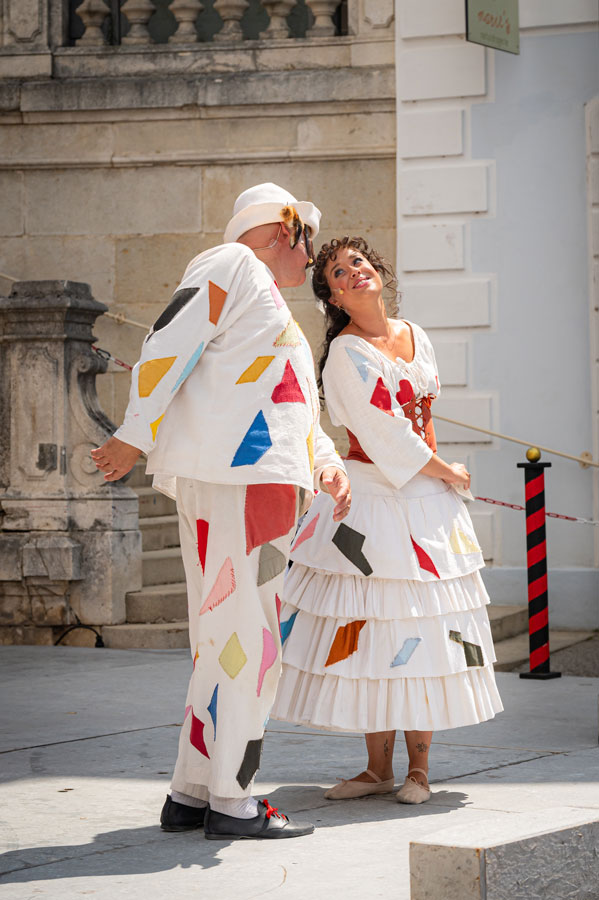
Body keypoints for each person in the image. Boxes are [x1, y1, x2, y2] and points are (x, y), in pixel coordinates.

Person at [91, 184, 351, 840]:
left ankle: (193, 791)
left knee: (226, 642)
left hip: (249, 480)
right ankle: (233, 800)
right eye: (307, 242)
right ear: (281, 231)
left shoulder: (262, 300)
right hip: (245, 483)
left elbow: (291, 407)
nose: (312, 258)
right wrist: (135, 430)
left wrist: (323, 460)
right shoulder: (234, 265)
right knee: (250, 644)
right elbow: (168, 340)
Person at [271, 236, 503, 804]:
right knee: (374, 630)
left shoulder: (415, 335)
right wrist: (446, 470)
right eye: (336, 272)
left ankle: (419, 771)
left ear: (376, 271)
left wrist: (442, 477)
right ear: (331, 296)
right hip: (374, 498)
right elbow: (383, 433)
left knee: (425, 628)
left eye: (358, 263)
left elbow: (423, 417)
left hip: (427, 503)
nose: (352, 273)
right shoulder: (345, 354)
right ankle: (376, 768)